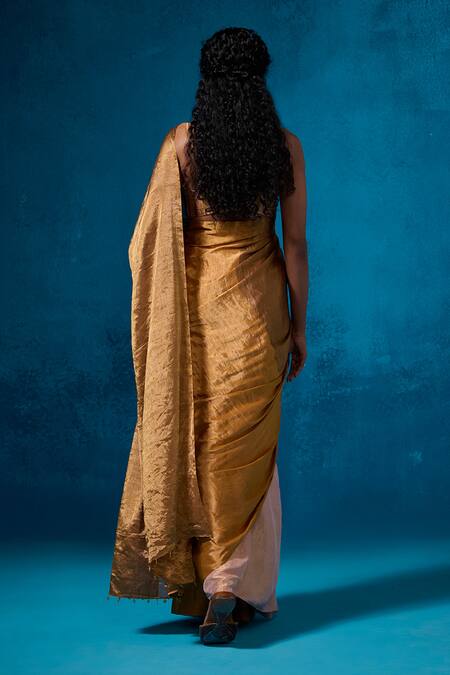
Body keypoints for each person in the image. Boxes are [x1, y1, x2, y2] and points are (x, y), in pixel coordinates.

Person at [108, 27, 308, 646]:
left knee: (200, 444)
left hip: (195, 316)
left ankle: (213, 585)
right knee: (247, 452)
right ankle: (231, 587)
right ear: (261, 77)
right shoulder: (285, 147)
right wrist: (301, 327)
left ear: (206, 78)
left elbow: (149, 243)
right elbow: (296, 246)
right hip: (259, 313)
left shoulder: (180, 144)